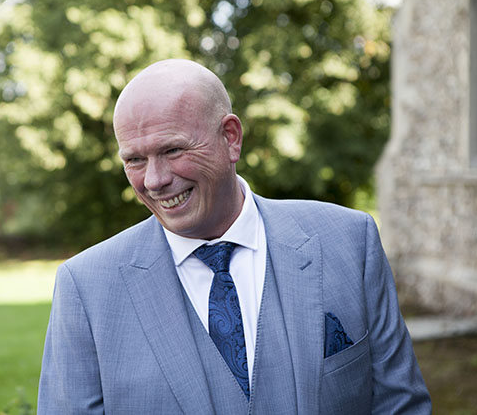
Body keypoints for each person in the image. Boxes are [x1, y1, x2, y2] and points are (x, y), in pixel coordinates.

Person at [37, 59, 431, 414]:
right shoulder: (86, 287)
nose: (154, 180)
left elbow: (400, 404)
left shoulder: (349, 241)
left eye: (173, 150)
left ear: (230, 138)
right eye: (135, 160)